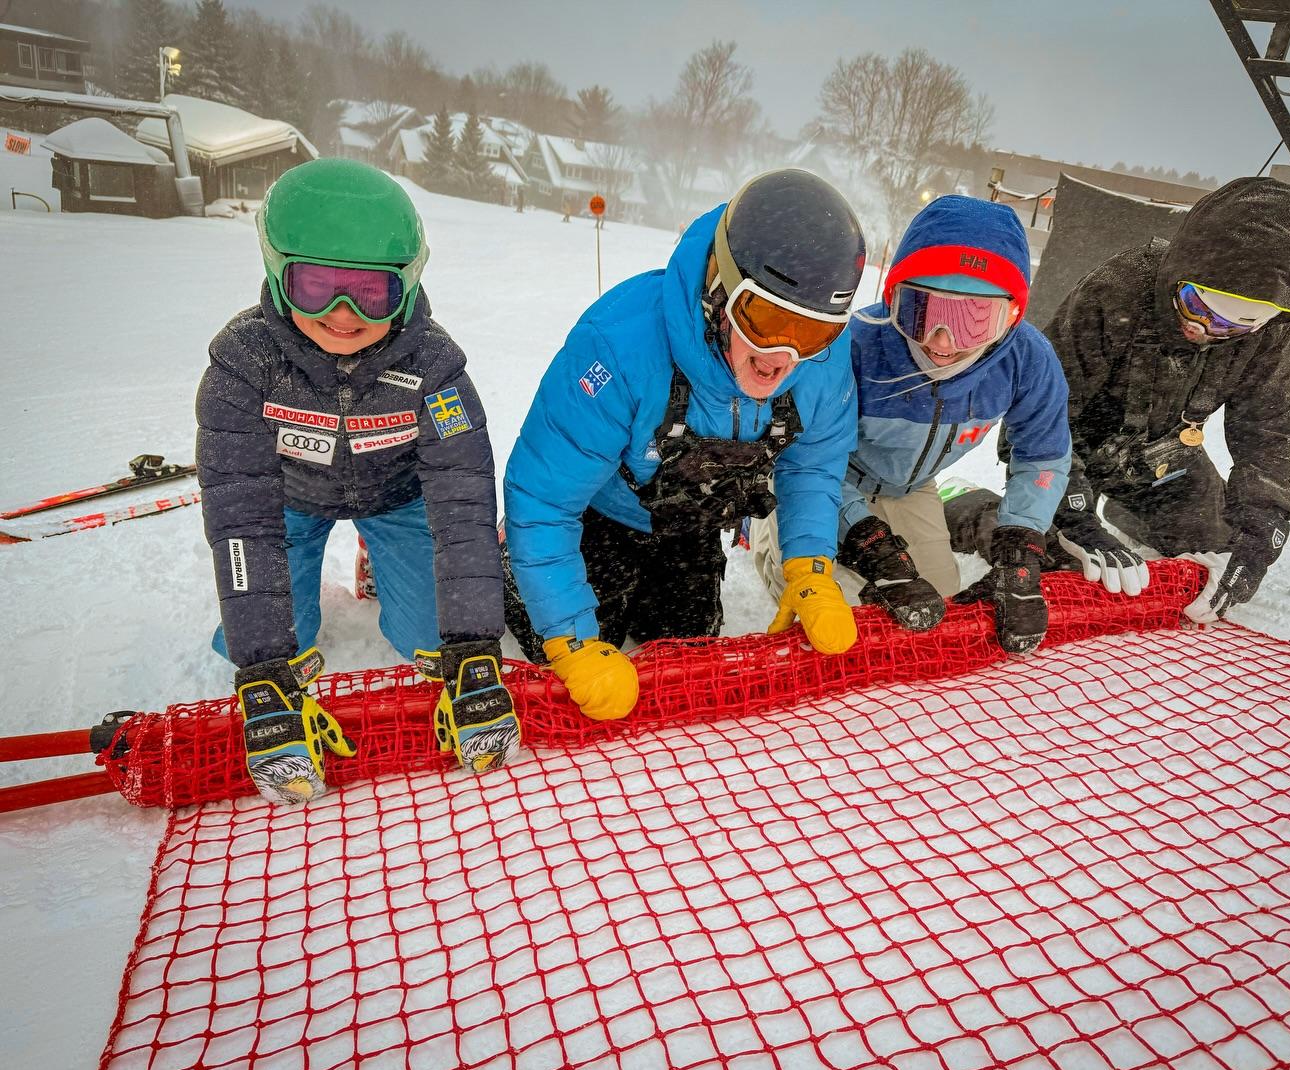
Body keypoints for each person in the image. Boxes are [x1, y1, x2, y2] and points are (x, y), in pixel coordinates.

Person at [197, 158, 518, 805]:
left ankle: (379, 556)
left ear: (405, 285)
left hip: (395, 496)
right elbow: (241, 517)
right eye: (317, 286)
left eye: (370, 293)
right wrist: (262, 664)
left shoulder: (433, 369)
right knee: (262, 638)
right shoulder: (244, 364)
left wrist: (473, 641)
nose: (343, 314)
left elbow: (461, 504)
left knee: (427, 642)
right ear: (279, 273)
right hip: (289, 503)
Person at [503, 169, 866, 721]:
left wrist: (810, 567)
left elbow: (813, 466)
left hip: (690, 524)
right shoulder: (619, 347)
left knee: (688, 649)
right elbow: (545, 499)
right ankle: (507, 559)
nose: (782, 358)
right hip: (601, 515)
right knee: (557, 642)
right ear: (719, 288)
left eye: (813, 331)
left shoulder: (821, 362)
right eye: (764, 319)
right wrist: (571, 639)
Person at [961, 175, 1290, 622]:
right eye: (1198, 306)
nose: (1208, 330)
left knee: (1218, 553)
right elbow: (1043, 410)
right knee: (1054, 562)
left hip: (1164, 459)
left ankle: (1131, 512)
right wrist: (1074, 513)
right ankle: (972, 509)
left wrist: (1262, 529)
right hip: (1070, 453)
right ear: (1181, 270)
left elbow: (1267, 432)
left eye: (1236, 325)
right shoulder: (1118, 288)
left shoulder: (1270, 332)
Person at [751, 194, 1072, 655]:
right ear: (893, 298)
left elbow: (1042, 458)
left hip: (909, 486)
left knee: (936, 605)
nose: (942, 343)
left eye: (973, 321)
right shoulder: (854, 346)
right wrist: (869, 541)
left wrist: (1019, 549)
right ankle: (763, 530)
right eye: (921, 313)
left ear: (1012, 316)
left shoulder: (1027, 361)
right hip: (827, 481)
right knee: (841, 611)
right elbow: (808, 461)